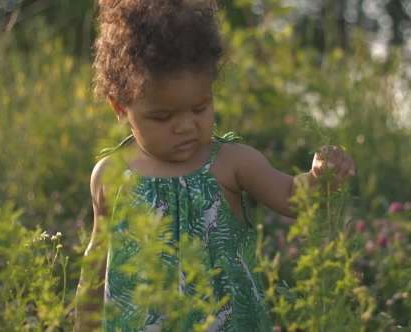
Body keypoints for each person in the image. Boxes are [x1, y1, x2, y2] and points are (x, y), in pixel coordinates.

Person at [74, 0, 356, 331]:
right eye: (162, 117)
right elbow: (97, 258)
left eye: (200, 108)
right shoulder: (111, 174)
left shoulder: (230, 162)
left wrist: (321, 176)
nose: (185, 126)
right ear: (120, 107)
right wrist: (85, 322)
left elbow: (292, 197)